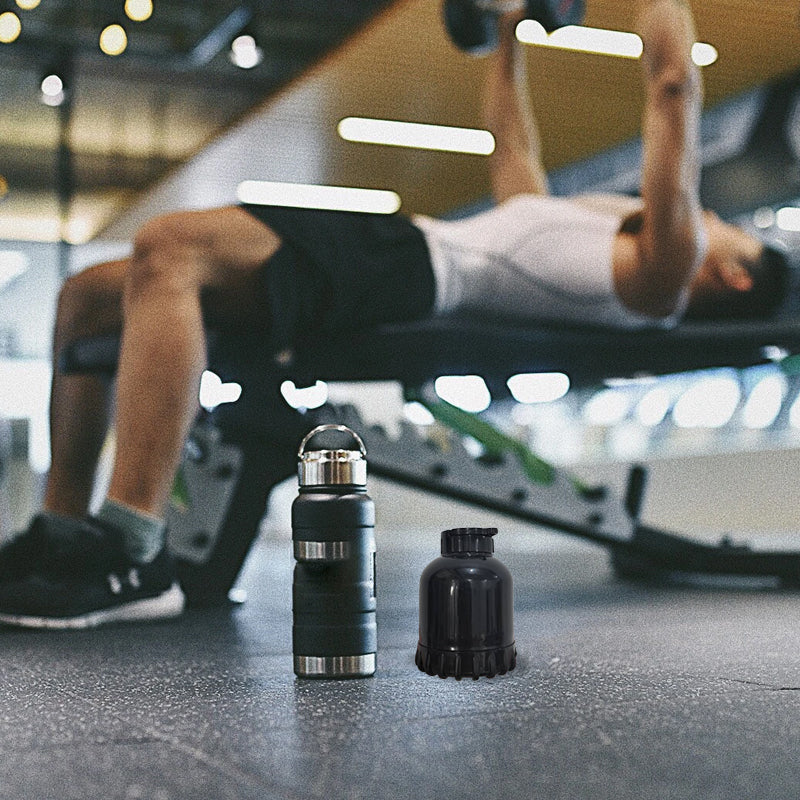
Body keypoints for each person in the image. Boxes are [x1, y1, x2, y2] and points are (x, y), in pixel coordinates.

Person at [0, 0, 790, 628]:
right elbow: (512, 147)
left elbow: (673, 87)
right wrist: (508, 30)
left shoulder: (663, 273)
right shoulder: (595, 241)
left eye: (737, 234)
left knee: (172, 247)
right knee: (87, 297)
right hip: (401, 252)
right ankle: (64, 538)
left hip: (408, 270)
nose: (723, 222)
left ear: (733, 275)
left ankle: (132, 550)